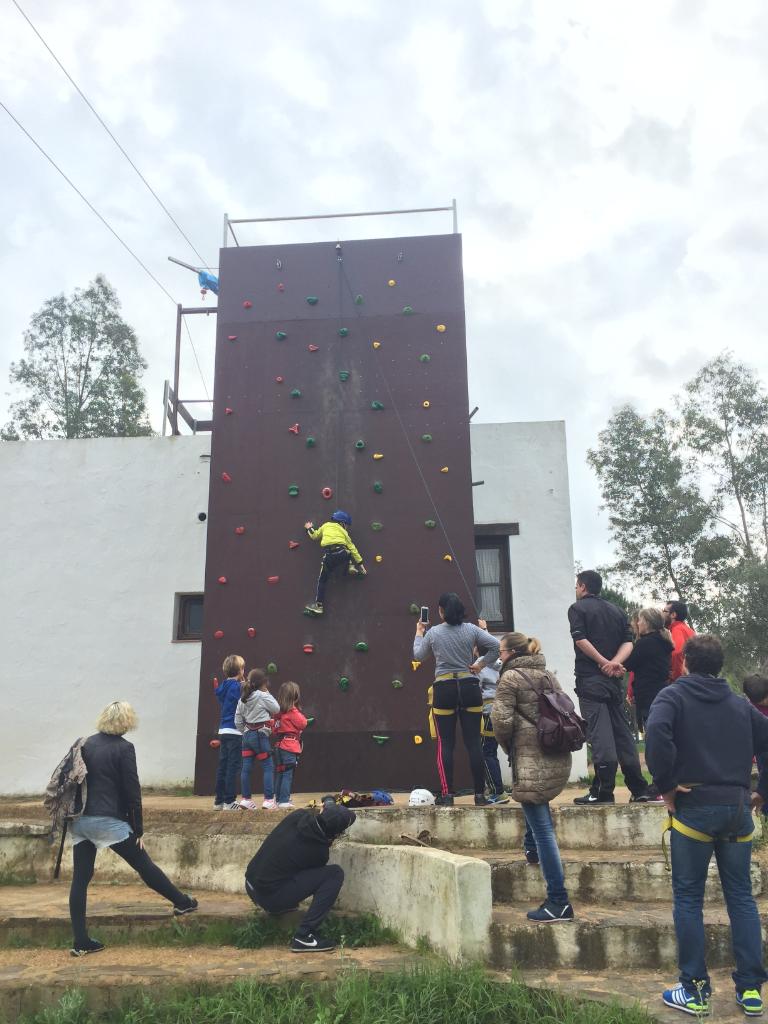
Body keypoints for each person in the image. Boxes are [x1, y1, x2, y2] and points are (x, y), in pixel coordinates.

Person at [646, 635, 768, 1017]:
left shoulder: (672, 697)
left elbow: (656, 735)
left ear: (684, 662)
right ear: (719, 665)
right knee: (742, 898)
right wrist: (761, 788)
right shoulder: (739, 704)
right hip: (736, 809)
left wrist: (665, 786)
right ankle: (751, 991)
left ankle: (695, 991)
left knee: (688, 898)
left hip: (694, 807)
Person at [69, 701, 197, 956]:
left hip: (80, 820)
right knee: (142, 863)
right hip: (107, 821)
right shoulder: (124, 748)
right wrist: (138, 829)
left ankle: (80, 940)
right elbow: (132, 791)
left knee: (80, 878)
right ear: (127, 722)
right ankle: (182, 902)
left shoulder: (85, 744)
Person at [492, 632, 574, 922]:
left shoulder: (510, 679)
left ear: (512, 653)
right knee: (537, 809)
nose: (499, 656)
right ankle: (530, 849)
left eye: (501, 651)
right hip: (555, 756)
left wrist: (510, 746)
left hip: (530, 760)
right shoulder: (549, 676)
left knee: (544, 829)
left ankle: (558, 900)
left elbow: (499, 721)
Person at [568, 570, 651, 804]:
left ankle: (603, 791)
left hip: (590, 678)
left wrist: (602, 662)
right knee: (622, 732)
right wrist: (615, 662)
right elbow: (628, 641)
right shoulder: (617, 610)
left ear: (583, 587)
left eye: (576, 586)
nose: (576, 590)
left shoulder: (577, 609)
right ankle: (639, 788)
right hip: (614, 680)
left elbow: (580, 639)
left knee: (600, 733)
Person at [413, 592, 500, 806]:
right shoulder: (471, 629)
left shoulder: (433, 633)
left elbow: (418, 655)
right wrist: (480, 664)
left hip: (444, 688)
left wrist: (418, 632)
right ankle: (480, 795)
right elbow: (496, 647)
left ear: (441, 611)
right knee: (474, 744)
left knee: (446, 744)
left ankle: (448, 794)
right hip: (470, 687)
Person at [245, 803, 356, 952]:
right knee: (334, 874)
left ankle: (281, 903)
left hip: (250, 884)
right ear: (336, 833)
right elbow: (310, 875)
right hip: (269, 898)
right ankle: (304, 936)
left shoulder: (297, 815)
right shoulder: (320, 852)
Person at [304, 509, 366, 615]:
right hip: (341, 553)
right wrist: (361, 564)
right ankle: (350, 566)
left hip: (329, 556)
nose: (347, 527)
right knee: (348, 552)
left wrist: (309, 528)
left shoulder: (325, 526)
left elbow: (315, 536)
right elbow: (352, 548)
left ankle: (319, 606)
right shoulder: (344, 532)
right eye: (346, 525)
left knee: (322, 580)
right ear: (342, 522)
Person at [236, 668, 280, 810]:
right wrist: (267, 692)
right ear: (264, 683)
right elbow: (276, 709)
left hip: (247, 736)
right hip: (260, 735)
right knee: (267, 766)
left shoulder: (243, 698)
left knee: (246, 769)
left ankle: (246, 800)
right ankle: (268, 800)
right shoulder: (262, 695)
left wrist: (245, 731)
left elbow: (237, 719)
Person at [623, 608, 673, 732]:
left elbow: (628, 664)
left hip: (647, 695)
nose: (637, 623)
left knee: (652, 732)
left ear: (647, 622)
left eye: (640, 620)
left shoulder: (645, 644)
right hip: (662, 691)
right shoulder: (663, 641)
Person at [476, 619, 509, 807]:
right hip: (501, 710)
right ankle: (498, 789)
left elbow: (476, 690)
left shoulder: (479, 666)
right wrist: (485, 630)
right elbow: (493, 648)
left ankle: (498, 791)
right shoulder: (499, 663)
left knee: (486, 752)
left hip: (487, 712)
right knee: (493, 750)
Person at [214, 654, 245, 810]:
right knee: (233, 767)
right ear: (240, 670)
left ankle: (218, 801)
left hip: (223, 730)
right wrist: (245, 687)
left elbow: (220, 695)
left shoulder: (223, 686)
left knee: (223, 766)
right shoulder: (237, 687)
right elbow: (242, 702)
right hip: (235, 731)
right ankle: (229, 801)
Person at [272, 681, 307, 809]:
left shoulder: (278, 714)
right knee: (287, 773)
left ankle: (278, 799)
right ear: (295, 697)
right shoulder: (292, 712)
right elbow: (303, 723)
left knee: (280, 772)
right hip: (289, 746)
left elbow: (274, 729)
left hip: (279, 746)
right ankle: (284, 800)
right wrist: (295, 708)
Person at [743, 673, 768, 780]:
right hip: (763, 749)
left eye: (766, 698)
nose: (764, 702)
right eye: (760, 702)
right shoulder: (750, 708)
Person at [663, 600, 696, 682]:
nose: (661, 613)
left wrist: (675, 679)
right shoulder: (688, 630)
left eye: (664, 611)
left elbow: (677, 653)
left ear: (673, 615)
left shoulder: (677, 629)